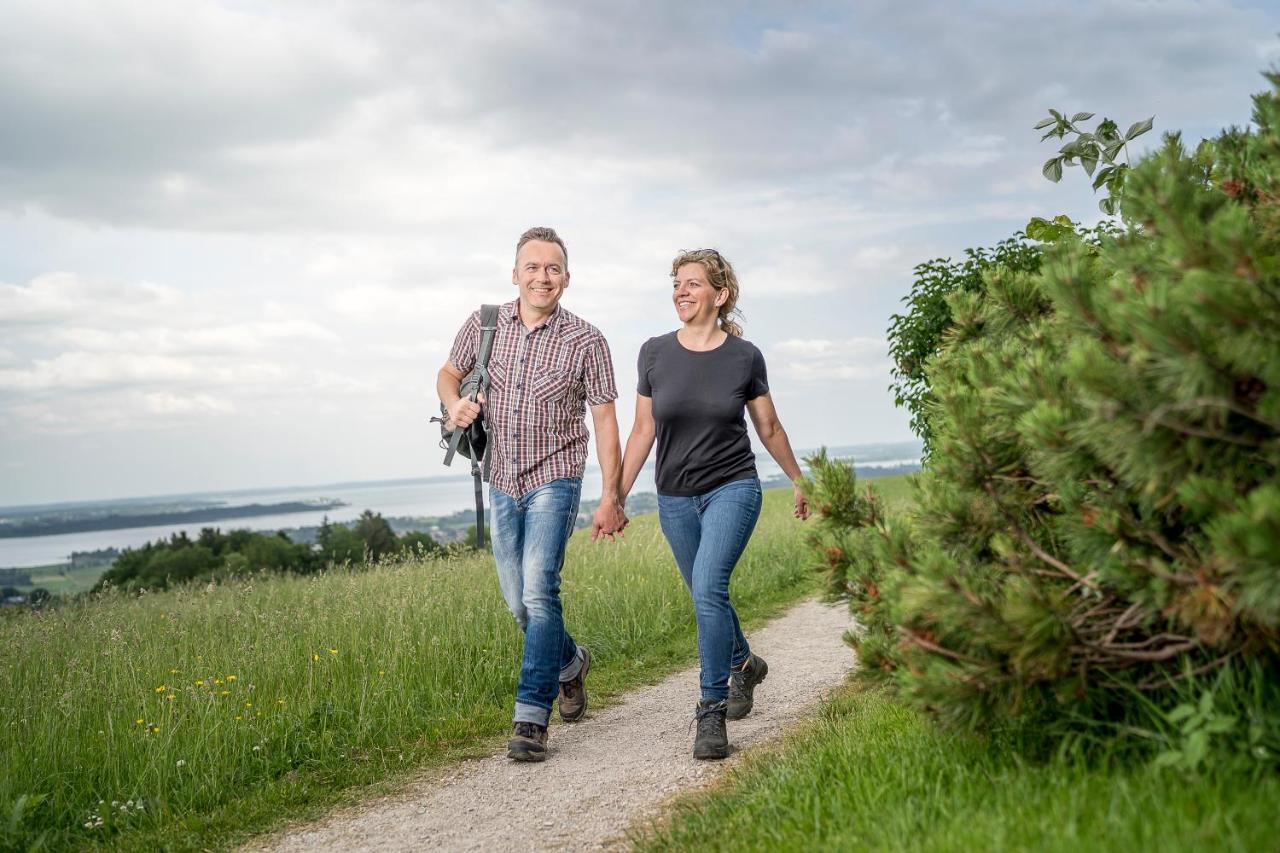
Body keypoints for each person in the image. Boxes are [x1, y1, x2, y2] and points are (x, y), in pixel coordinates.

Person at [437, 226, 628, 763]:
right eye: (533, 267)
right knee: (519, 604)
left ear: (567, 278)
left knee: (541, 591)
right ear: (515, 273)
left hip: (557, 475)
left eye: (553, 269)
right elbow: (449, 374)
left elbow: (607, 420)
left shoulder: (587, 340)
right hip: (501, 476)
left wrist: (612, 493)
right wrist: (455, 405)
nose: (542, 277)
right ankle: (570, 664)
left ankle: (530, 717)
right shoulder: (484, 324)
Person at [619, 248, 809, 760]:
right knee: (707, 594)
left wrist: (799, 479)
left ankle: (711, 711)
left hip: (733, 487)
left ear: (720, 295)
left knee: (708, 586)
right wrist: (613, 496)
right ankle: (745, 663)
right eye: (677, 283)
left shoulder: (744, 358)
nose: (681, 290)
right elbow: (642, 430)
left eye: (693, 283)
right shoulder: (654, 352)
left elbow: (768, 426)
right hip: (674, 496)